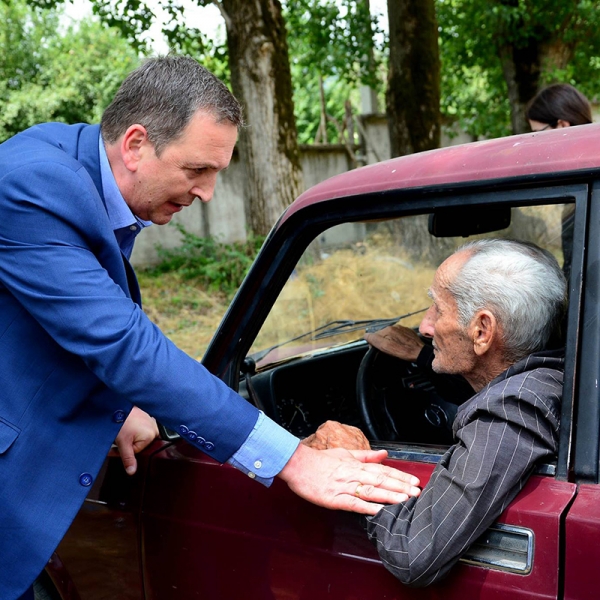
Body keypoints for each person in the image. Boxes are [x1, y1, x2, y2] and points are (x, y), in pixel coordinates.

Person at [0, 55, 421, 600]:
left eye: (216, 172)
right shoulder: (32, 186)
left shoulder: (81, 172)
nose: (208, 193)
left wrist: (119, 400)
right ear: (135, 144)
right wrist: (293, 459)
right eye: (197, 170)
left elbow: (49, 320)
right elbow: (121, 342)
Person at [306, 238, 567, 586]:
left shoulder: (510, 411)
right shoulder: (550, 372)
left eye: (438, 310)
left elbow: (414, 553)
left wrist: (353, 466)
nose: (425, 326)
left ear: (482, 331)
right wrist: (420, 357)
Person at [526, 83, 593, 280]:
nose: (536, 143)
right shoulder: (581, 179)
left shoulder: (587, 180)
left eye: (538, 133)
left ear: (563, 125)